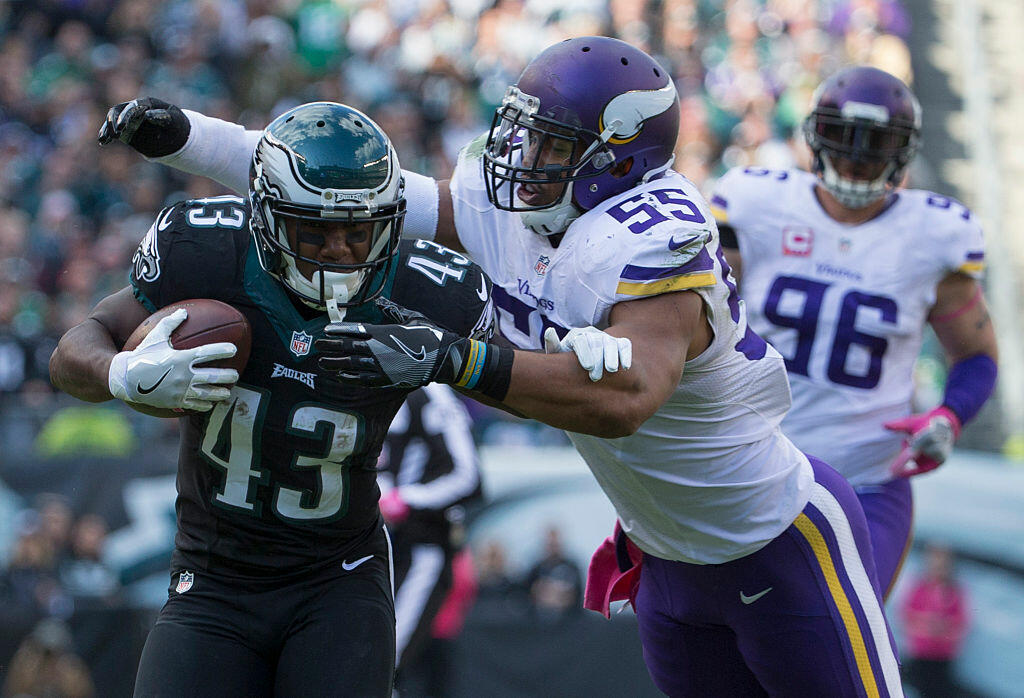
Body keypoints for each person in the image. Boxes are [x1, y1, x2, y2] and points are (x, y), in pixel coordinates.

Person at [99, 37, 903, 696]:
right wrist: (191, 139)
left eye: (549, 142)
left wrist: (458, 359)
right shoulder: (520, 212)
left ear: (617, 157)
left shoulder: (653, 234)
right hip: (665, 552)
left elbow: (628, 400)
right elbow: (357, 194)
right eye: (522, 129)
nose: (520, 154)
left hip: (774, 536)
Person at [50, 101, 495, 698]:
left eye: (357, 229)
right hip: (213, 577)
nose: (338, 249)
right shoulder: (208, 255)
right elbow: (74, 349)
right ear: (264, 218)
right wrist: (121, 372)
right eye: (315, 227)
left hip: (337, 580)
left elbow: (529, 384)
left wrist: (482, 354)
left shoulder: (421, 287)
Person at [709, 66, 999, 596]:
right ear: (816, 134)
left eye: (877, 143)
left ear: (903, 151)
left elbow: (977, 356)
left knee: (838, 643)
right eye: (844, 138)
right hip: (749, 465)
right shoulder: (756, 203)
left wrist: (950, 415)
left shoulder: (936, 235)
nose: (859, 156)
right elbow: (696, 322)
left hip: (866, 479)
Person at [376, 383, 482, 693]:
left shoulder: (431, 393)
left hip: (420, 548)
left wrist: (403, 500)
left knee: (383, 661)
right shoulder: (367, 376)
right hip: (367, 546)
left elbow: (468, 475)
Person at [900, 543, 971, 697]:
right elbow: (907, 615)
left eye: (943, 566)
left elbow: (961, 621)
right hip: (920, 653)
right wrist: (927, 623)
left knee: (939, 690)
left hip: (943, 656)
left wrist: (944, 627)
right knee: (918, 687)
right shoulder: (920, 588)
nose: (939, 569)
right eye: (934, 564)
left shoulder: (954, 592)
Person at [523, 526, 582, 618]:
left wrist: (560, 596)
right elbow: (527, 594)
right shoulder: (536, 569)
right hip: (539, 620)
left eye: (555, 543)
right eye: (550, 543)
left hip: (569, 620)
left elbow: (579, 595)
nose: (553, 546)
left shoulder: (572, 567)